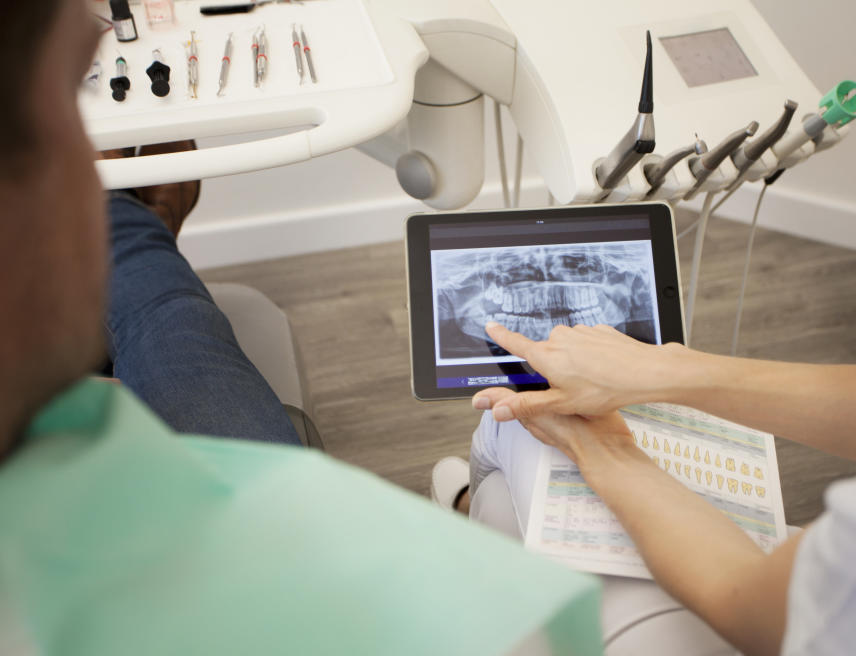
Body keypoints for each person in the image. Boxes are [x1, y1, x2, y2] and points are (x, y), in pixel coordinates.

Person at [0, 2, 606, 653]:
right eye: (64, 101)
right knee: (152, 290)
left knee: (136, 274)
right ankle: (128, 227)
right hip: (298, 557)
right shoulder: (473, 612)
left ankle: (122, 234)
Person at [433, 320, 856, 655]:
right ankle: (476, 513)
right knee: (506, 497)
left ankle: (468, 511)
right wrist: (667, 369)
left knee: (511, 429)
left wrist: (608, 450)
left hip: (775, 621)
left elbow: (755, 609)